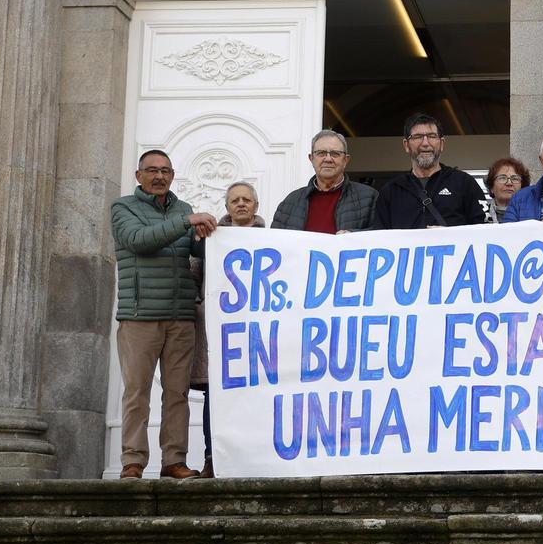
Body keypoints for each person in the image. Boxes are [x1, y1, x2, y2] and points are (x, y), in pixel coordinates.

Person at [111, 149, 217, 480]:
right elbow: (139, 241)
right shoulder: (123, 208)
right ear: (138, 175)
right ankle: (133, 461)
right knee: (137, 393)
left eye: (166, 171)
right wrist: (186, 223)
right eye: (152, 170)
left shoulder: (183, 210)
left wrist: (211, 238)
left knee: (177, 394)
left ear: (173, 176)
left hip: (180, 316)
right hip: (140, 316)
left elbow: (195, 251)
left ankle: (174, 460)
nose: (159, 176)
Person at [189, 181, 265, 479]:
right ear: (227, 206)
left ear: (256, 206)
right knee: (215, 396)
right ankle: (212, 458)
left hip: (256, 331)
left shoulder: (273, 238)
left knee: (255, 395)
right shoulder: (210, 239)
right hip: (217, 331)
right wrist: (199, 307)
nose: (242, 204)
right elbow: (195, 274)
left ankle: (254, 458)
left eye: (247, 199)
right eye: (235, 200)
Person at [376, 114, 486, 228]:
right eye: (417, 136)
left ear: (442, 143)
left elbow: (485, 229)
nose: (425, 143)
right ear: (406, 145)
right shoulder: (391, 190)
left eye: (432, 136)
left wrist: (450, 236)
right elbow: (378, 237)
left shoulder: (465, 183)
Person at [271, 129, 378, 233]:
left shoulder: (369, 197)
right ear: (311, 158)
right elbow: (275, 241)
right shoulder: (290, 202)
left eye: (335, 153)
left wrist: (351, 236)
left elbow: (382, 235)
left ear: (346, 160)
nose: (328, 159)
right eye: (321, 153)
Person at [485, 157, 530, 223]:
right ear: (492, 187)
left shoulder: (532, 215)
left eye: (515, 179)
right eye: (502, 178)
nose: (509, 183)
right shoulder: (480, 215)